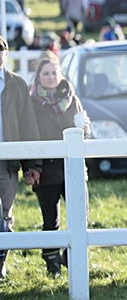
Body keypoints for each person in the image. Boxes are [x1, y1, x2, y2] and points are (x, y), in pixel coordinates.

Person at [29, 54, 91, 277]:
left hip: (73, 167)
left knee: (80, 217)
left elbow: (85, 128)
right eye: (46, 73)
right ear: (38, 77)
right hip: (46, 170)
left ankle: (72, 259)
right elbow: (29, 135)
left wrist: (84, 128)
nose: (50, 77)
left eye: (54, 72)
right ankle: (52, 265)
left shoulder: (71, 97)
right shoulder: (32, 102)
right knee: (50, 220)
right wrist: (31, 166)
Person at [0, 35, 42, 280]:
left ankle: (1, 263)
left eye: (1, 49)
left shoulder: (16, 84)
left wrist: (32, 164)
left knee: (5, 214)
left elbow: (27, 124)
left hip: (8, 163)